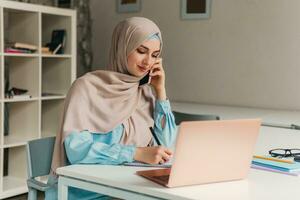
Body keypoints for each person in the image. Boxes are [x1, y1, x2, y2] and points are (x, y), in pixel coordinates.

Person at [45, 17, 177, 200]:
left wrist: (161, 91)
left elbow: (168, 145)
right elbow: (76, 150)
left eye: (154, 55)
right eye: (141, 51)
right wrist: (136, 153)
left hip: (131, 187)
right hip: (88, 190)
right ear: (122, 47)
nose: (148, 62)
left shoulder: (145, 93)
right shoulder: (86, 87)